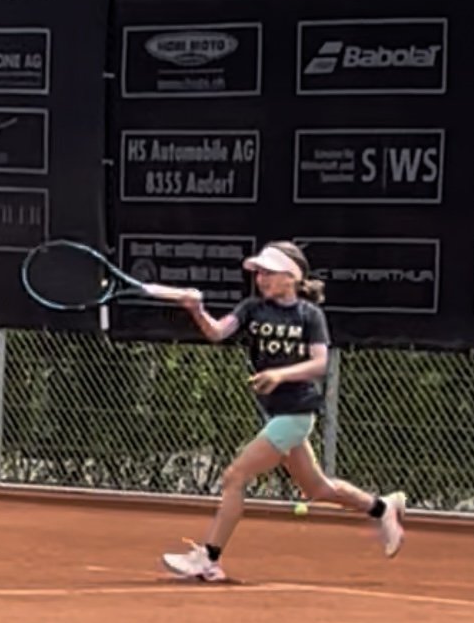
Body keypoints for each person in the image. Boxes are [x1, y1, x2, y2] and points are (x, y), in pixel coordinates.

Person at [161, 240, 406, 582]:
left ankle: (209, 559)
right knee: (318, 489)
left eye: (268, 273)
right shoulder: (251, 308)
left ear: (290, 277)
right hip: (276, 414)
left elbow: (319, 364)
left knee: (235, 476)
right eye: (259, 272)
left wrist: (279, 375)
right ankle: (383, 507)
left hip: (297, 414)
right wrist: (196, 310)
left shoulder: (310, 316)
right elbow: (217, 332)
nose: (260, 278)